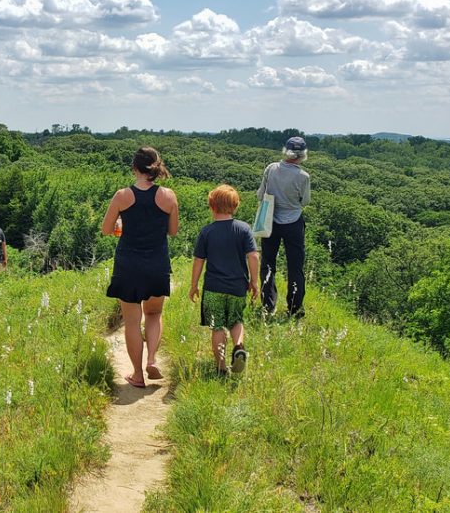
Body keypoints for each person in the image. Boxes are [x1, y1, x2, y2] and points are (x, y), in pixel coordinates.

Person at [101, 146, 179, 388]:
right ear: (156, 169)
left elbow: (106, 229)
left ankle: (137, 374)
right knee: (154, 314)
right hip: (157, 263)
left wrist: (123, 223)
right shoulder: (169, 196)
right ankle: (153, 359)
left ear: (134, 168)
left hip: (129, 265)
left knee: (132, 321)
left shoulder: (122, 196)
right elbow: (173, 231)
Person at [188, 185, 259, 374]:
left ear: (212, 206)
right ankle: (239, 346)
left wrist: (194, 285)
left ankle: (220, 367)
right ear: (235, 207)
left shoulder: (207, 232)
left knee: (217, 326)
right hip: (237, 287)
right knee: (236, 320)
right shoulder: (243, 229)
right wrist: (254, 282)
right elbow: (253, 256)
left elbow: (198, 260)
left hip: (213, 288)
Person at [257, 136, 311, 319]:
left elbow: (260, 195)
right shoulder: (303, 176)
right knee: (295, 267)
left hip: (270, 220)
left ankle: (268, 306)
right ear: (303, 155)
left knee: (268, 264)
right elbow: (305, 201)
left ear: (285, 151)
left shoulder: (271, 169)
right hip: (294, 222)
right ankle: (295, 309)